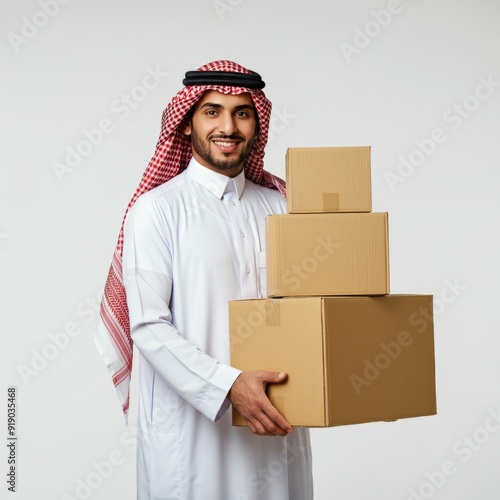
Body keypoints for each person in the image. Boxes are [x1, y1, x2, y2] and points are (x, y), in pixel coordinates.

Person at [94, 60, 313, 500]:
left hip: (279, 423)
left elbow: (317, 309)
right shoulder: (158, 210)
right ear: (188, 121)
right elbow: (149, 327)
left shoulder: (284, 206)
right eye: (212, 111)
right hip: (192, 437)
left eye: (242, 113)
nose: (228, 126)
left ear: (257, 123)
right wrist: (229, 385)